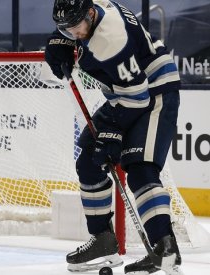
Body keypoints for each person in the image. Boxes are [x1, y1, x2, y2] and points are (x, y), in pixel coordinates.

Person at [44, 0, 182, 274]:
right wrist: (59, 40)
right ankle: (103, 241)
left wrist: (111, 134)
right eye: (66, 29)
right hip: (127, 94)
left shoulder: (110, 41)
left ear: (91, 14)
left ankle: (165, 249)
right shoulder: (88, 10)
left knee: (141, 168)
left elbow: (138, 98)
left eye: (76, 28)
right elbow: (71, 29)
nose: (75, 34)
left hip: (154, 94)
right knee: (88, 163)